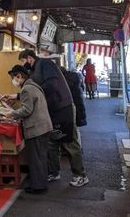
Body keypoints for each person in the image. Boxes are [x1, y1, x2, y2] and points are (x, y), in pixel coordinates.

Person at [18, 50, 89, 187]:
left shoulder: (45, 64)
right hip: (52, 109)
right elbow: (33, 91)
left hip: (63, 108)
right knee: (52, 143)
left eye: (22, 61)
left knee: (69, 142)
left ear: (29, 58)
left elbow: (51, 85)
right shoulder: (34, 71)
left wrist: (36, 93)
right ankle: (54, 172)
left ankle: (80, 175)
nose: (23, 65)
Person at [8, 65, 52, 194]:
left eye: (14, 78)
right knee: (41, 156)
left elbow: (27, 110)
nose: (13, 81)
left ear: (20, 76)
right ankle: (41, 183)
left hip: (36, 128)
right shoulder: (32, 85)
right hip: (43, 126)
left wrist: (11, 113)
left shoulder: (27, 89)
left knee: (36, 158)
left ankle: (38, 187)